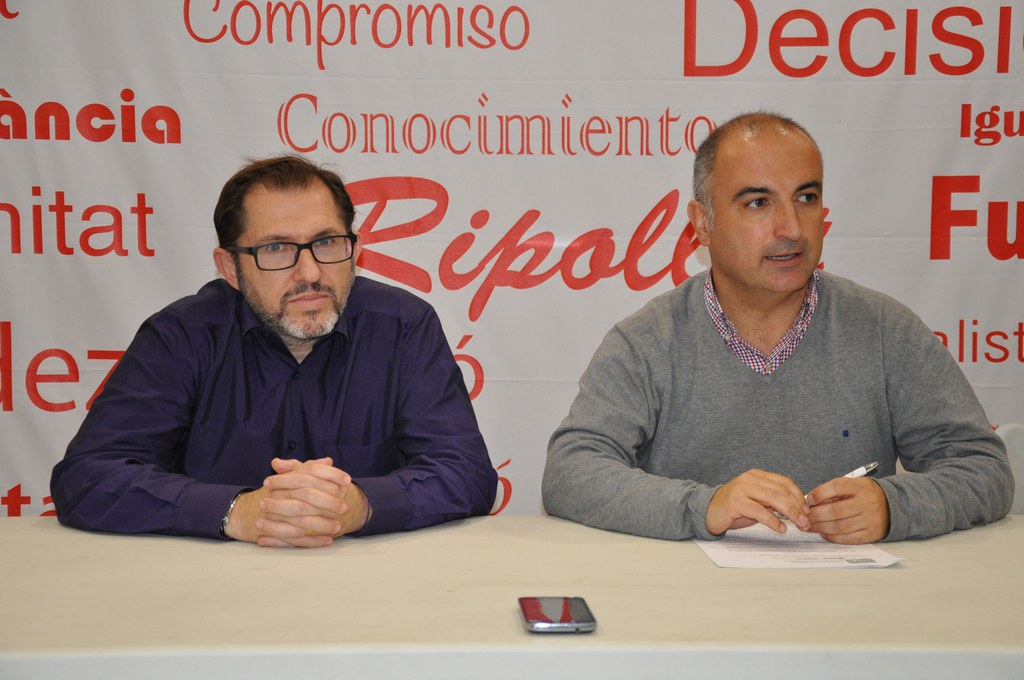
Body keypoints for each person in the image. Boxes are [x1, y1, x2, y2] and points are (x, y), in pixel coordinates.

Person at [543, 112, 1014, 545]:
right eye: (758, 203)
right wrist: (703, 507)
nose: (791, 228)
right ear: (703, 224)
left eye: (806, 198)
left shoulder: (884, 331)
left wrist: (894, 507)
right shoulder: (647, 341)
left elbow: (984, 469)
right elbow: (570, 471)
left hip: (851, 600)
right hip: (690, 600)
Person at [51, 155, 497, 547]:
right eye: (277, 248)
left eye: (326, 243)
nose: (310, 273)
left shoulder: (403, 326)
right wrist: (239, 511)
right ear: (230, 267)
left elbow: (468, 473)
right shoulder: (182, 335)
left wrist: (358, 505)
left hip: (371, 587)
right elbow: (87, 478)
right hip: (207, 590)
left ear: (355, 251)